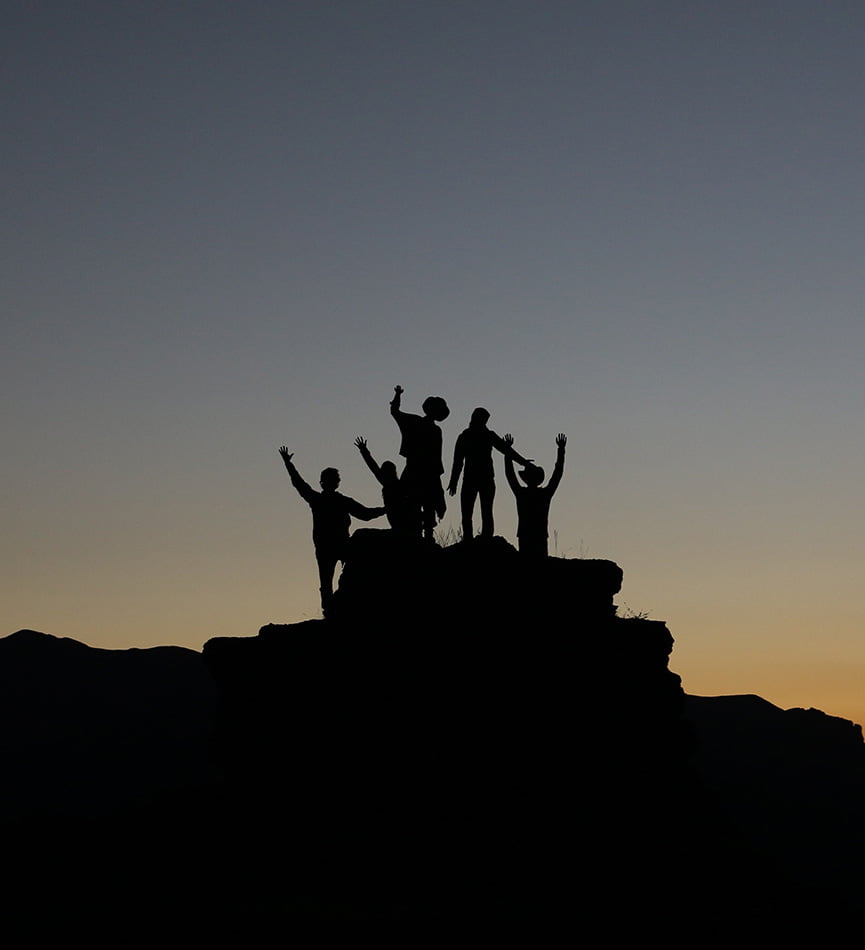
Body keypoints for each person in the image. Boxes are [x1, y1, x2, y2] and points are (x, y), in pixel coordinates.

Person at [279, 447, 386, 613]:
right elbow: (366, 514)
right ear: (333, 482)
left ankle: (334, 607)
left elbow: (365, 514)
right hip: (329, 546)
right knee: (328, 580)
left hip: (333, 546)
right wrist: (387, 509)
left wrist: (288, 463)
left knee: (328, 580)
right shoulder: (326, 500)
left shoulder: (323, 500)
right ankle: (331, 609)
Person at [447, 408, 530, 541]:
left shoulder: (483, 435)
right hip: (472, 478)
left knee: (484, 510)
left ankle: (485, 537)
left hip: (483, 479)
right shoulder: (466, 436)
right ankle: (469, 538)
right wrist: (453, 481)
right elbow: (458, 461)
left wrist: (523, 462)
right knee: (469, 512)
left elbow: (506, 449)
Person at [389, 384, 450, 541]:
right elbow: (394, 412)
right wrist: (398, 395)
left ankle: (426, 538)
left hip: (427, 473)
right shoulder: (415, 422)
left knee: (427, 507)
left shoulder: (436, 430)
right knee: (413, 504)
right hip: (417, 471)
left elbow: (437, 456)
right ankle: (416, 537)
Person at [502, 433, 567, 558]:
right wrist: (561, 450)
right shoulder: (544, 494)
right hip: (539, 535)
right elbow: (557, 474)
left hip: (525, 535)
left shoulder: (521, 494)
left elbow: (509, 474)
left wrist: (507, 451)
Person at [353, 436, 419, 537]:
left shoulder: (396, 485)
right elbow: (373, 467)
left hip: (403, 522)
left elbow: (374, 467)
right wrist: (364, 451)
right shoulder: (394, 484)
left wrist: (364, 451)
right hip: (399, 523)